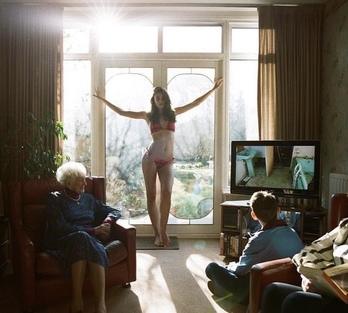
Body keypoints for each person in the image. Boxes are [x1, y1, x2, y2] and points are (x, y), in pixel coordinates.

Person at [93, 78, 223, 247]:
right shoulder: (148, 116)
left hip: (168, 161)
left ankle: (164, 230)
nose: (160, 101)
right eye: (157, 98)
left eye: (162, 98)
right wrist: (103, 99)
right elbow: (122, 112)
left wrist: (213, 89)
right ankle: (157, 233)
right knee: (152, 195)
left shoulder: (173, 113)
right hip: (150, 158)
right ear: (153, 101)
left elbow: (195, 103)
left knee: (167, 193)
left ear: (166, 99)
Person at [260, 171, 348, 313]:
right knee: (274, 290)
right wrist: (312, 277)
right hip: (338, 297)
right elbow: (309, 252)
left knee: (296, 301)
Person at [44, 162, 121, 313]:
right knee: (82, 237)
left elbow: (114, 211)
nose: (86, 183)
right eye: (81, 180)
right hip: (64, 241)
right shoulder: (54, 199)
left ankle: (99, 305)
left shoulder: (89, 199)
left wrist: (106, 222)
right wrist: (95, 230)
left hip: (89, 239)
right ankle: (78, 298)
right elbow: (61, 228)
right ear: (69, 181)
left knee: (84, 238)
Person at [205, 191, 303, 304]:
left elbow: (240, 271)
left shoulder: (257, 239)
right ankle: (228, 292)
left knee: (211, 268)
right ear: (278, 210)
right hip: (288, 289)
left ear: (253, 215)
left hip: (262, 291)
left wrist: (229, 266)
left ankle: (233, 295)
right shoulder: (293, 232)